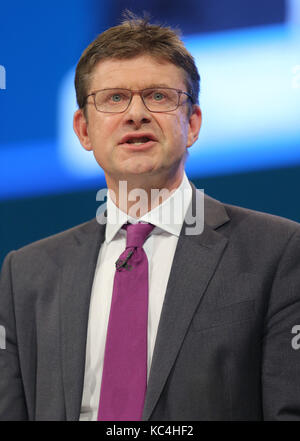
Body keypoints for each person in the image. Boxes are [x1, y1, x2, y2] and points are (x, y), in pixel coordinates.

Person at [0, 14, 300, 422]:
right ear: (83, 130)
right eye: (113, 98)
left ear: (192, 123)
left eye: (158, 96)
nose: (135, 114)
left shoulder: (277, 252)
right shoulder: (26, 274)